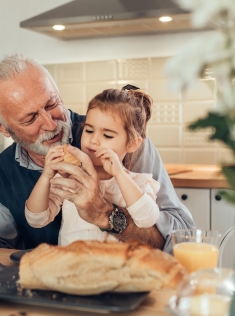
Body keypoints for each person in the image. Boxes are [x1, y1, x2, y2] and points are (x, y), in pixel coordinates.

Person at [0, 54, 195, 253]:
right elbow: (6, 245)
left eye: (51, 104)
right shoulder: (1, 172)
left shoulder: (120, 145)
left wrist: (107, 215)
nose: (50, 124)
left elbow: (182, 240)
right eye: (30, 119)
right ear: (2, 127)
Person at [26, 88, 161, 246]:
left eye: (107, 135)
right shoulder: (70, 177)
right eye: (89, 130)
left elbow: (147, 219)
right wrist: (46, 176)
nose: (94, 140)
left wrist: (119, 174)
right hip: (73, 266)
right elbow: (36, 219)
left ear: (132, 144)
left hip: (115, 268)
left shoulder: (136, 183)